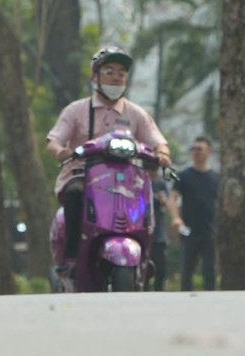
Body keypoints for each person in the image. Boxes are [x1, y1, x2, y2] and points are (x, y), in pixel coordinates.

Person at [45, 45, 171, 273]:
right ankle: (72, 257)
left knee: (148, 196)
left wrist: (162, 153)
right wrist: (61, 151)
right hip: (82, 175)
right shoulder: (76, 110)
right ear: (95, 76)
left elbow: (157, 139)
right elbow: (54, 140)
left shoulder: (136, 113)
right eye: (109, 71)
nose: (115, 78)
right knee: (75, 193)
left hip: (126, 180)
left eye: (121, 73)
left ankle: (146, 256)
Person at [174, 135, 218, 291]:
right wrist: (176, 218)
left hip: (210, 229)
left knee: (209, 270)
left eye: (200, 149)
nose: (196, 152)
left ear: (208, 152)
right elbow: (172, 199)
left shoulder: (215, 177)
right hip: (189, 229)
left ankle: (211, 300)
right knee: (187, 268)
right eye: (193, 149)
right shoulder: (184, 176)